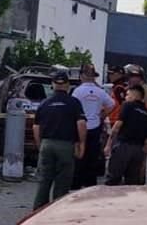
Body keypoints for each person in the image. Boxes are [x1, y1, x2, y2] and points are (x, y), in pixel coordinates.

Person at [32, 68, 87, 210]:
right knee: (62, 183)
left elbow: (36, 127)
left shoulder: (44, 103)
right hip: (66, 146)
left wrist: (40, 145)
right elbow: (81, 123)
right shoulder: (74, 103)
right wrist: (81, 143)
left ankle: (38, 212)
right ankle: (56, 213)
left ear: (53, 84)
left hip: (46, 144)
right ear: (68, 85)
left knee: (44, 180)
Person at [70, 64, 115, 189]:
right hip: (95, 126)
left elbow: (72, 107)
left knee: (79, 156)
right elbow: (112, 104)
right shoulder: (100, 92)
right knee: (92, 157)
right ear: (94, 77)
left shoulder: (77, 91)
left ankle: (76, 185)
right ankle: (90, 185)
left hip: (80, 126)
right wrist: (102, 115)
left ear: (82, 75)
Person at [104, 84, 147, 186]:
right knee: (132, 183)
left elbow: (117, 127)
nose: (126, 97)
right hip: (138, 150)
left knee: (113, 179)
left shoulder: (128, 106)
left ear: (134, 95)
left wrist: (108, 145)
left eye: (127, 95)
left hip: (123, 147)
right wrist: (143, 159)